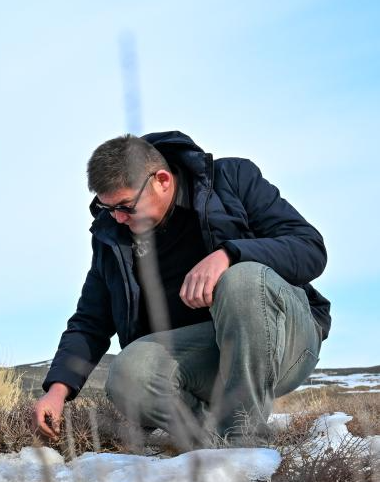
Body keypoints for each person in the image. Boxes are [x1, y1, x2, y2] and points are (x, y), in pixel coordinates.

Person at [33, 131, 330, 448]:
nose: (118, 218)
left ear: (161, 180)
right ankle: (215, 444)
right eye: (107, 208)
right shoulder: (112, 236)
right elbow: (91, 319)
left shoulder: (232, 180)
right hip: (205, 359)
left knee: (241, 278)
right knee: (129, 373)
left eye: (126, 206)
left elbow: (309, 248)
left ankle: (246, 443)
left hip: (284, 342)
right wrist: (58, 390)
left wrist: (230, 254)